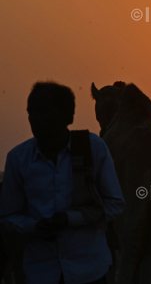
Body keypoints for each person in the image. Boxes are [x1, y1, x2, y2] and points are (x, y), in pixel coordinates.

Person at [0, 81, 125, 284]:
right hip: (42, 271)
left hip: (89, 272)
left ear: (67, 116)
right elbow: (7, 217)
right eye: (31, 112)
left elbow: (115, 203)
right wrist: (34, 226)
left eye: (43, 112)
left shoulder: (93, 149)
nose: (35, 119)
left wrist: (70, 219)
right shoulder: (18, 159)